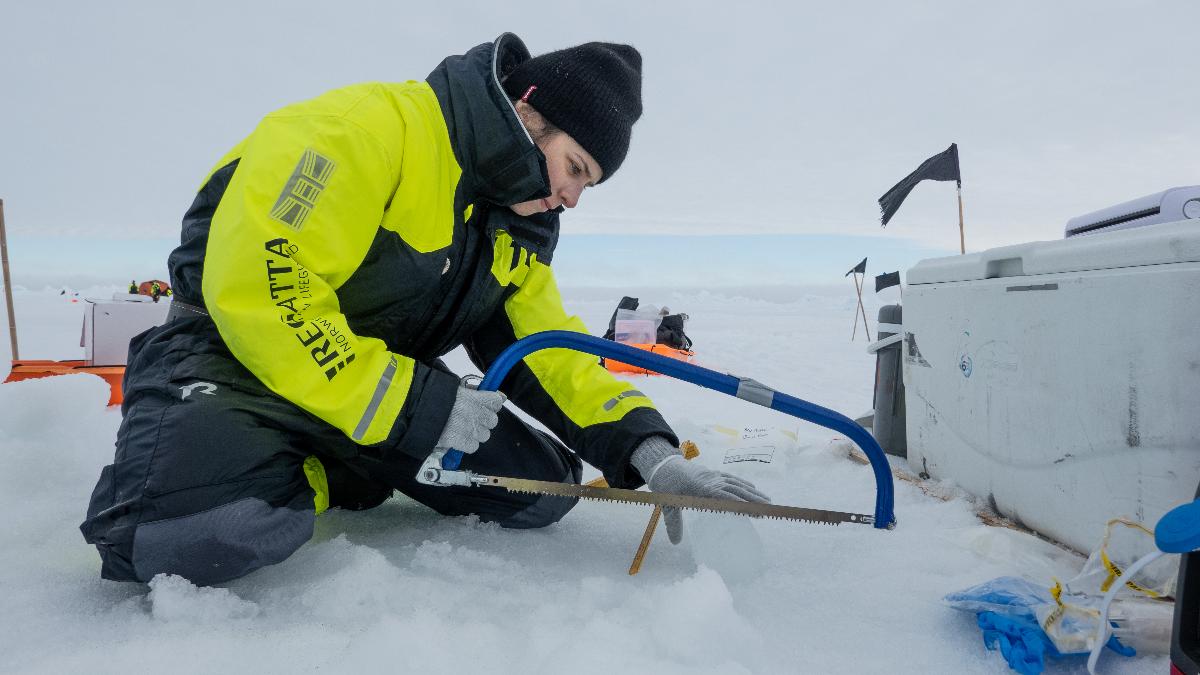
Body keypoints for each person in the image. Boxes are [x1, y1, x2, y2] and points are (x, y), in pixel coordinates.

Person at [81, 33, 769, 586]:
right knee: (187, 536)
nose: (572, 198)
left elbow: (549, 353)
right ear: (530, 118)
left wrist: (653, 454)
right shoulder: (359, 131)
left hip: (380, 395)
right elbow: (263, 284)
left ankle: (347, 454)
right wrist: (417, 405)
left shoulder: (515, 227)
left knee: (545, 490)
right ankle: (319, 465)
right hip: (235, 360)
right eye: (576, 169)